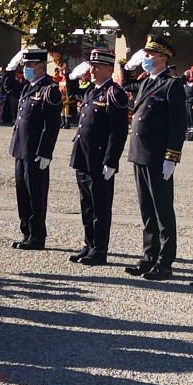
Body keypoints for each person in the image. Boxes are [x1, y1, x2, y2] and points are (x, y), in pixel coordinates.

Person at [125, 35, 188, 281]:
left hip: (158, 157)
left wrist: (172, 157)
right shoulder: (146, 82)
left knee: (162, 210)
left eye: (150, 55)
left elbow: (177, 125)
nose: (147, 59)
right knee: (147, 210)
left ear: (162, 57)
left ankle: (165, 262)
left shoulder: (172, 85)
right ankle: (148, 256)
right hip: (140, 154)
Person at [67, 47, 128, 266]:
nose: (91, 70)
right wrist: (72, 75)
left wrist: (112, 161)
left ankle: (100, 249)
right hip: (83, 156)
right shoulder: (91, 91)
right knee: (86, 204)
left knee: (100, 206)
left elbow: (118, 131)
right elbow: (71, 92)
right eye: (91, 66)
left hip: (100, 159)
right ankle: (89, 244)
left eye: (97, 66)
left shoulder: (114, 93)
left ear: (108, 69)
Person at [5, 46, 61, 249]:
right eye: (25, 65)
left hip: (36, 151)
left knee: (36, 194)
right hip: (21, 147)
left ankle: (37, 236)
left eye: (29, 65)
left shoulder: (49, 89)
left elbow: (51, 125)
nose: (25, 68)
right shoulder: (28, 86)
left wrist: (46, 152)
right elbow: (7, 85)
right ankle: (26, 232)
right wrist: (11, 68)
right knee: (22, 192)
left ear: (40, 66)